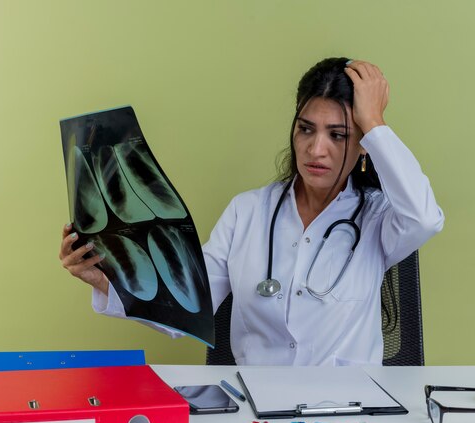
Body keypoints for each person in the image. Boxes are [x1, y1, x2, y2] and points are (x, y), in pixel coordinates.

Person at [59, 57, 444, 366]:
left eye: (338, 135)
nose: (316, 149)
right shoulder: (248, 211)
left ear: (364, 145)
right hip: (257, 412)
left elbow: (425, 218)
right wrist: (104, 280)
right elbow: (188, 304)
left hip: (346, 412)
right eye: (306, 129)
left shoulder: (378, 219)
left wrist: (374, 121)